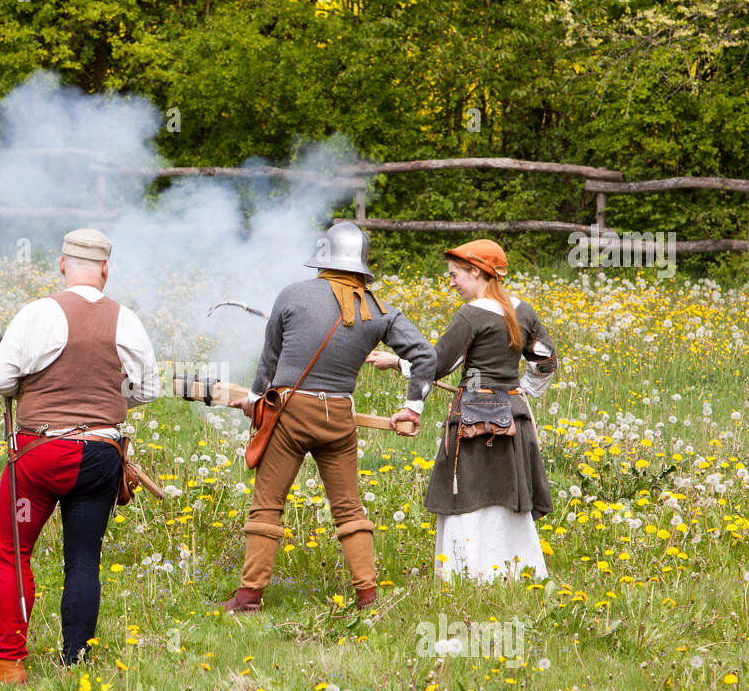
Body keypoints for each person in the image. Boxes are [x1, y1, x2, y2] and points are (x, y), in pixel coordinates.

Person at [0, 228, 160, 684]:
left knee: (13, 553)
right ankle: (76, 662)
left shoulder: (38, 313)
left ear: (61, 265)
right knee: (83, 559)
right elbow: (148, 390)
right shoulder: (126, 319)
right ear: (105, 269)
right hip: (101, 455)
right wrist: (103, 402)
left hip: (41, 453)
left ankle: (11, 663)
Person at [222, 221, 436, 614]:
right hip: (339, 415)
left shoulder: (291, 295)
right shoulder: (379, 310)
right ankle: (368, 597)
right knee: (349, 508)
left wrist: (255, 400)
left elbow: (269, 361)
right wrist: (412, 406)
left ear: (323, 258)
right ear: (360, 264)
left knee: (268, 505)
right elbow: (427, 355)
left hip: (289, 411)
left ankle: (249, 598)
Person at [370, 239, 557, 582]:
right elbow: (546, 361)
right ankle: (516, 573)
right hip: (513, 418)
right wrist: (519, 394)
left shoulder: (470, 315)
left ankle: (468, 572)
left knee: (468, 492)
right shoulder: (524, 310)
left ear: (476, 272)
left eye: (455, 275)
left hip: (474, 422)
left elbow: (438, 364)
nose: (452, 282)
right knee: (506, 494)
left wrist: (396, 362)